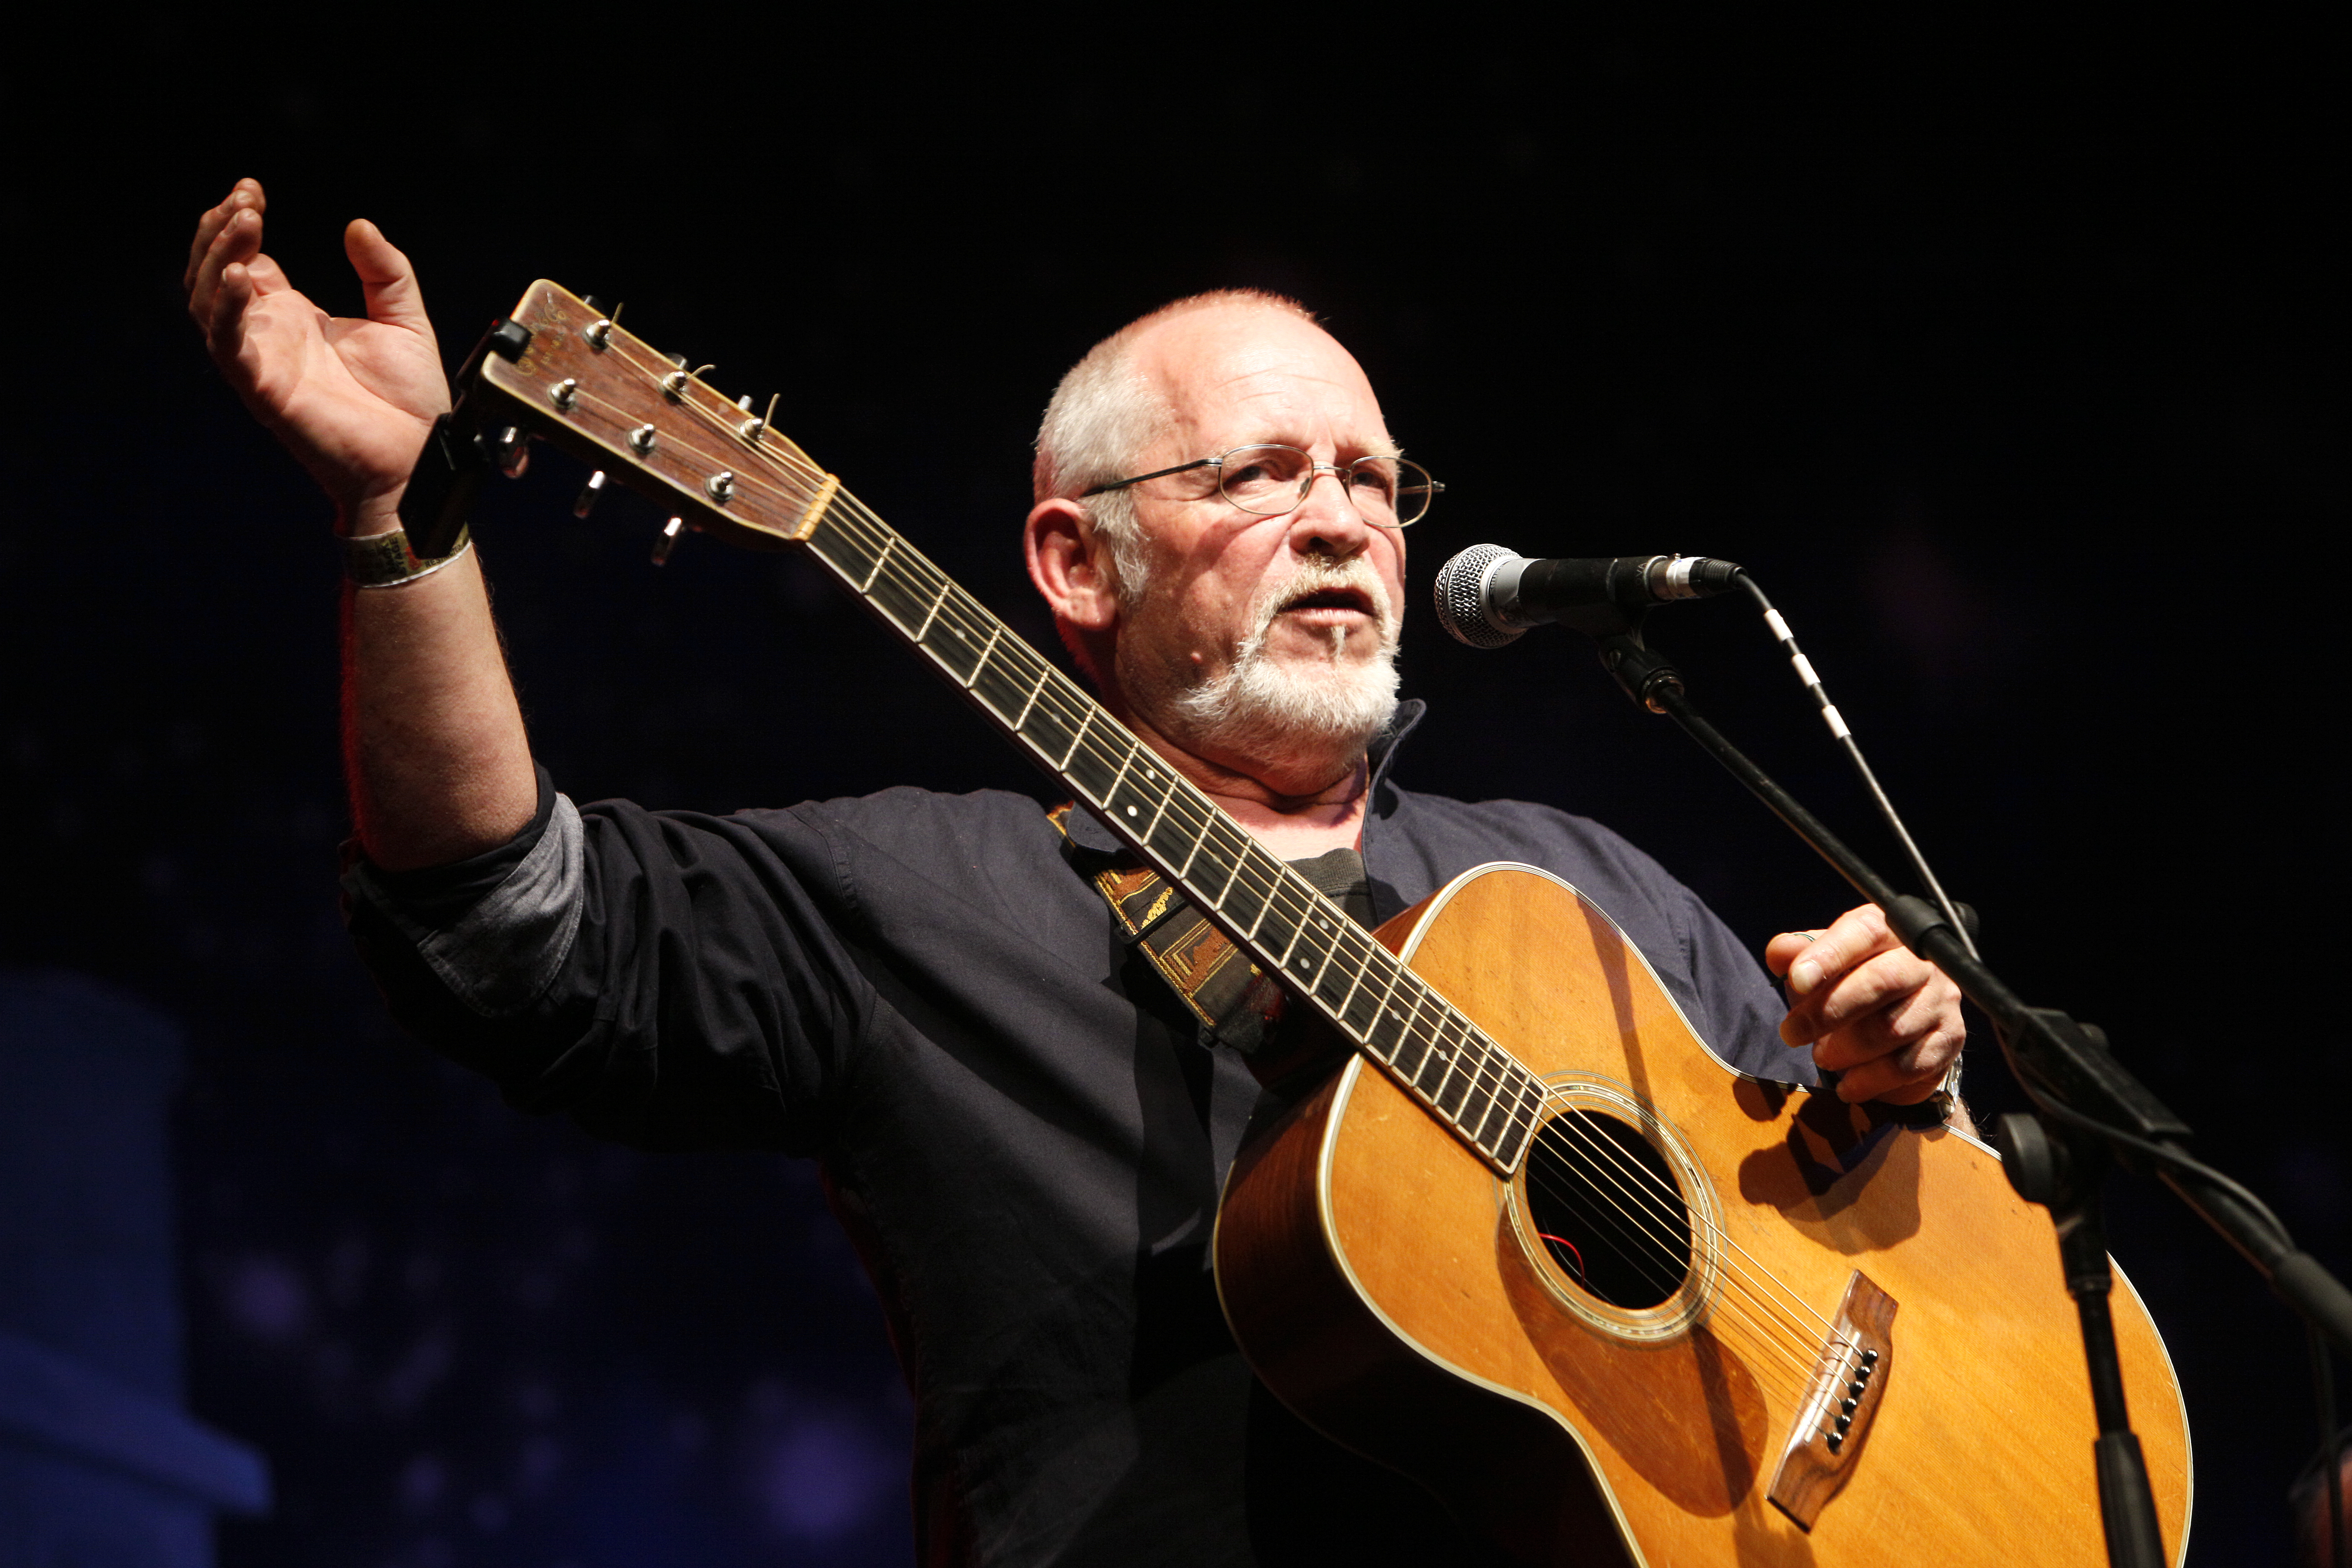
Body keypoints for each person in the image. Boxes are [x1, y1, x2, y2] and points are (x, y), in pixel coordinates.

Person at [185, 177, 1967, 1566]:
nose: (1342, 520)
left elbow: (1866, 1229)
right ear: (1077, 563)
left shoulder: (1572, 889)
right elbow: (504, 919)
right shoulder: (915, 897)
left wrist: (1909, 1095)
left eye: (1371, 480)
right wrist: (398, 521)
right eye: (1261, 474)